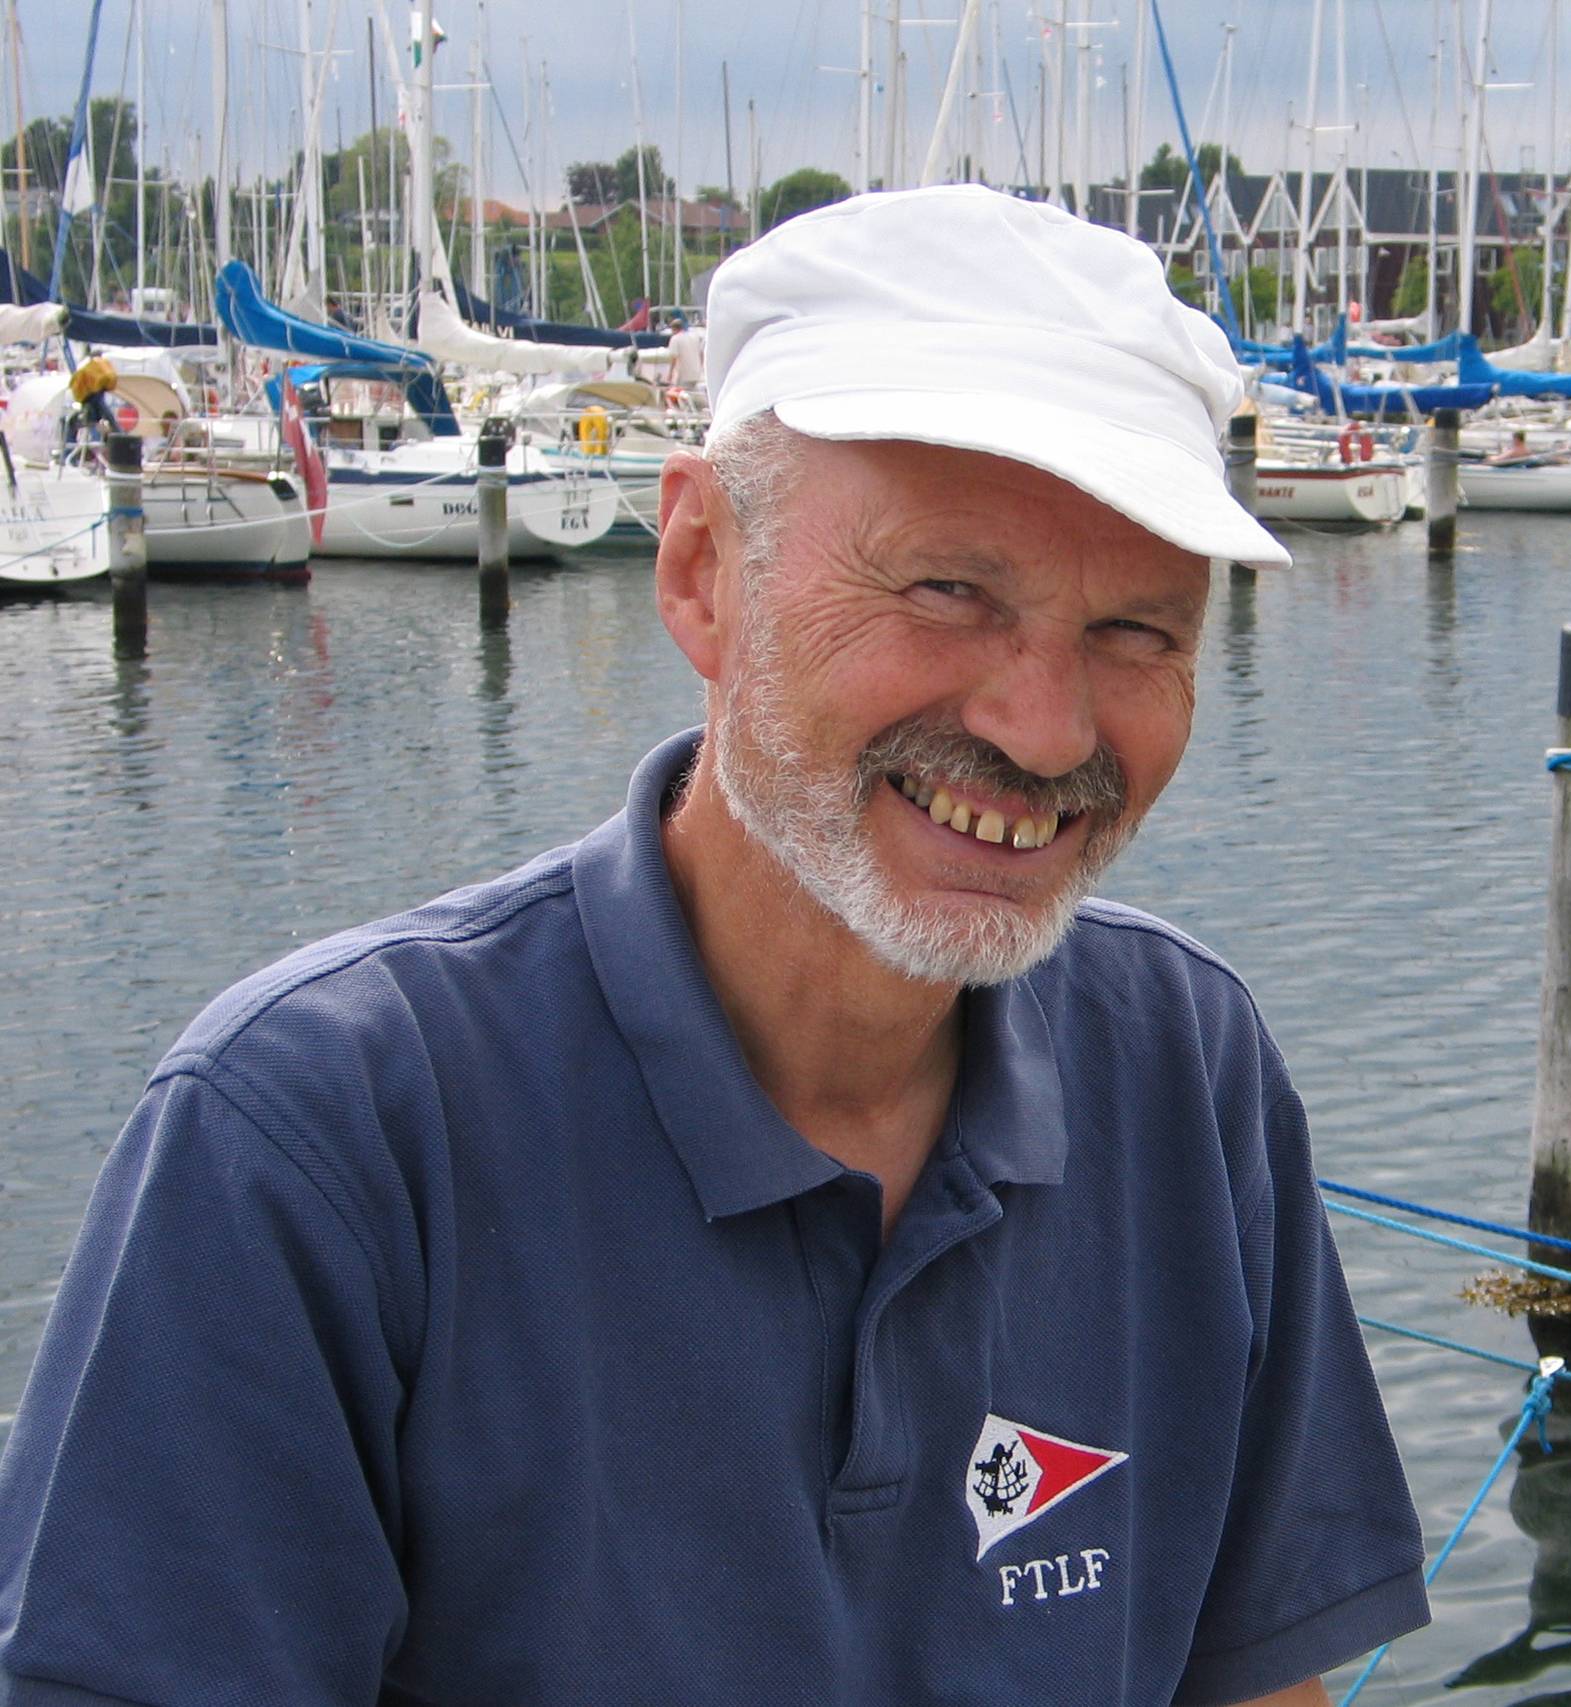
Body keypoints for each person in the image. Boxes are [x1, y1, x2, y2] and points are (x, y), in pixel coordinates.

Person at [0, 185, 1427, 1705]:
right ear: (699, 570)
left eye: (1138, 632)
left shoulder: (1185, 1068)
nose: (1046, 725)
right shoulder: (314, 1138)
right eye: (949, 589)